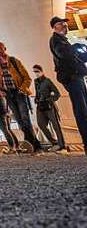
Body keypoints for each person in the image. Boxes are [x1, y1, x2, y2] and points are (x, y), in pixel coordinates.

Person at [0, 41, 41, 153]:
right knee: (19, 120)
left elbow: (27, 77)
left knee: (25, 118)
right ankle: (34, 144)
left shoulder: (14, 61)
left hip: (19, 93)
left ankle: (33, 144)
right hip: (8, 94)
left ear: (5, 48)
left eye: (0, 48)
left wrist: (21, 89)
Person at [49, 16, 87, 154]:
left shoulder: (65, 41)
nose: (64, 25)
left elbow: (76, 57)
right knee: (81, 112)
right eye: (61, 23)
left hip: (78, 77)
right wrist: (76, 48)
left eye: (64, 23)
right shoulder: (56, 41)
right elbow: (65, 55)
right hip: (72, 79)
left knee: (84, 110)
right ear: (54, 27)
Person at [32, 64, 65, 150]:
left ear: (41, 71)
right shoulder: (35, 81)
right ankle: (54, 142)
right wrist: (36, 98)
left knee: (55, 125)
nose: (36, 73)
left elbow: (57, 94)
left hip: (49, 106)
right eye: (34, 72)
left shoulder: (48, 81)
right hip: (40, 106)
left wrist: (50, 99)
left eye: (37, 71)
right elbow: (37, 93)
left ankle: (61, 145)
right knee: (41, 124)